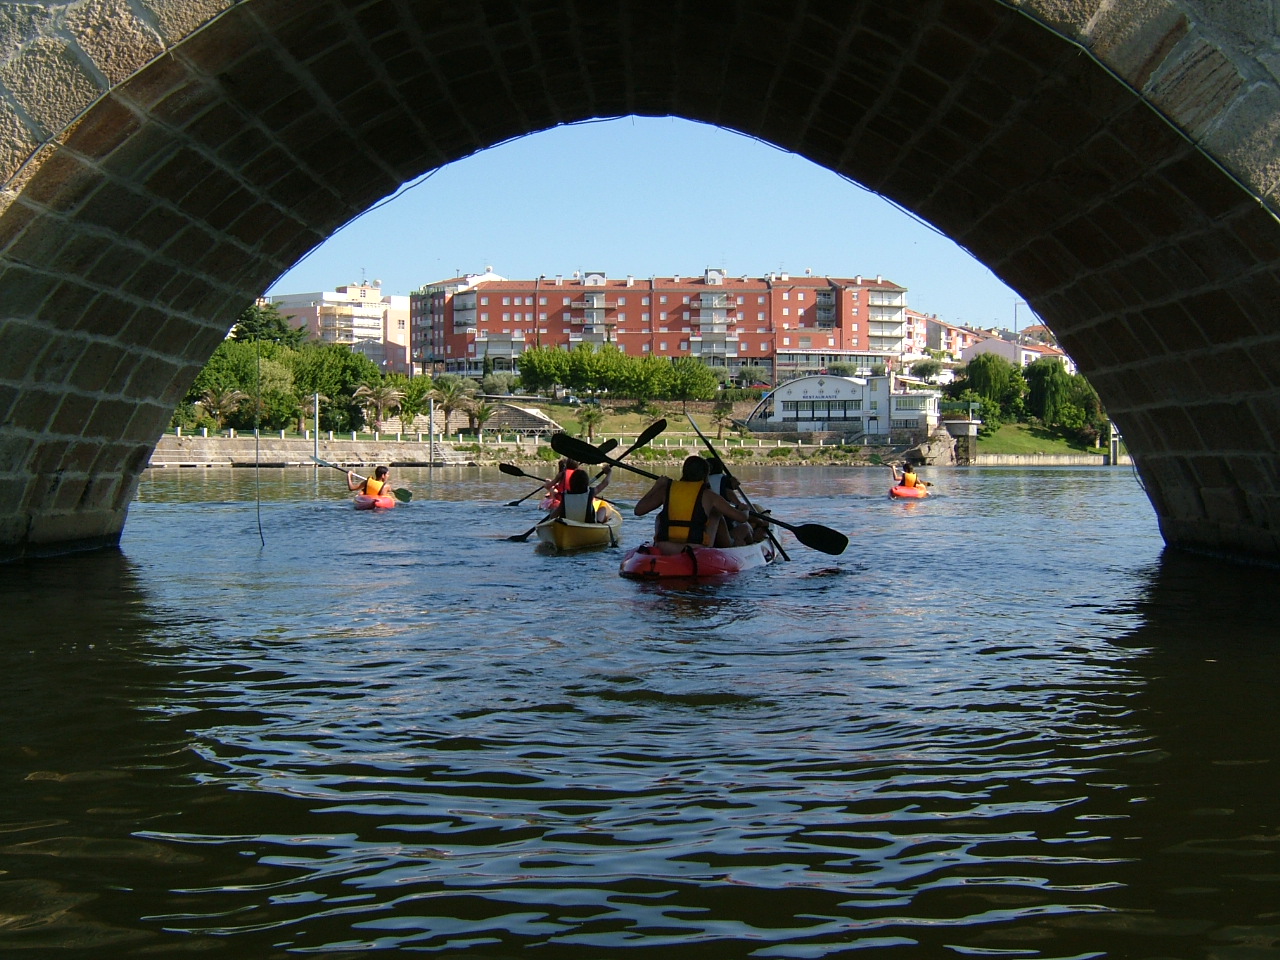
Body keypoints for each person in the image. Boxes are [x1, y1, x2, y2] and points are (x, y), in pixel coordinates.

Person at [634, 455, 752, 554]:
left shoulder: (666, 489)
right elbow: (742, 518)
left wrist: (657, 486)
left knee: (660, 516)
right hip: (695, 549)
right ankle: (732, 546)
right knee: (716, 514)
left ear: (684, 472)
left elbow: (638, 511)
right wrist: (745, 509)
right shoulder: (709, 495)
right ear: (706, 475)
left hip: (665, 546)